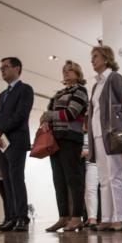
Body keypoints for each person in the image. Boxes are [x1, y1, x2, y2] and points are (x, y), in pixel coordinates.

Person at [87, 45, 122, 231]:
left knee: (115, 175)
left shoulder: (114, 78)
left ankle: (121, 217)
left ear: (106, 59)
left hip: (113, 134)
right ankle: (107, 217)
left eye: (96, 56)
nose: (93, 60)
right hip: (98, 134)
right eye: (92, 57)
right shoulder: (95, 85)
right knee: (103, 177)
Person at [40, 60, 88, 232]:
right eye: (64, 70)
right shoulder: (58, 94)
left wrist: (50, 115)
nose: (66, 73)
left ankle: (77, 217)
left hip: (71, 138)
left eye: (70, 70)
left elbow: (71, 113)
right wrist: (46, 122)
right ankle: (63, 217)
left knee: (73, 178)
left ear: (78, 73)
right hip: (55, 139)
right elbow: (46, 115)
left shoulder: (80, 91)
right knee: (58, 179)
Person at [0, 57, 34, 232]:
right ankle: (11, 217)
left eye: (6, 67)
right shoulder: (2, 95)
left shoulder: (25, 89)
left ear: (17, 69)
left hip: (16, 141)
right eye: (1, 68)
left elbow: (20, 115)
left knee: (16, 179)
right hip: (1, 143)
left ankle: (22, 217)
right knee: (6, 181)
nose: (2, 70)